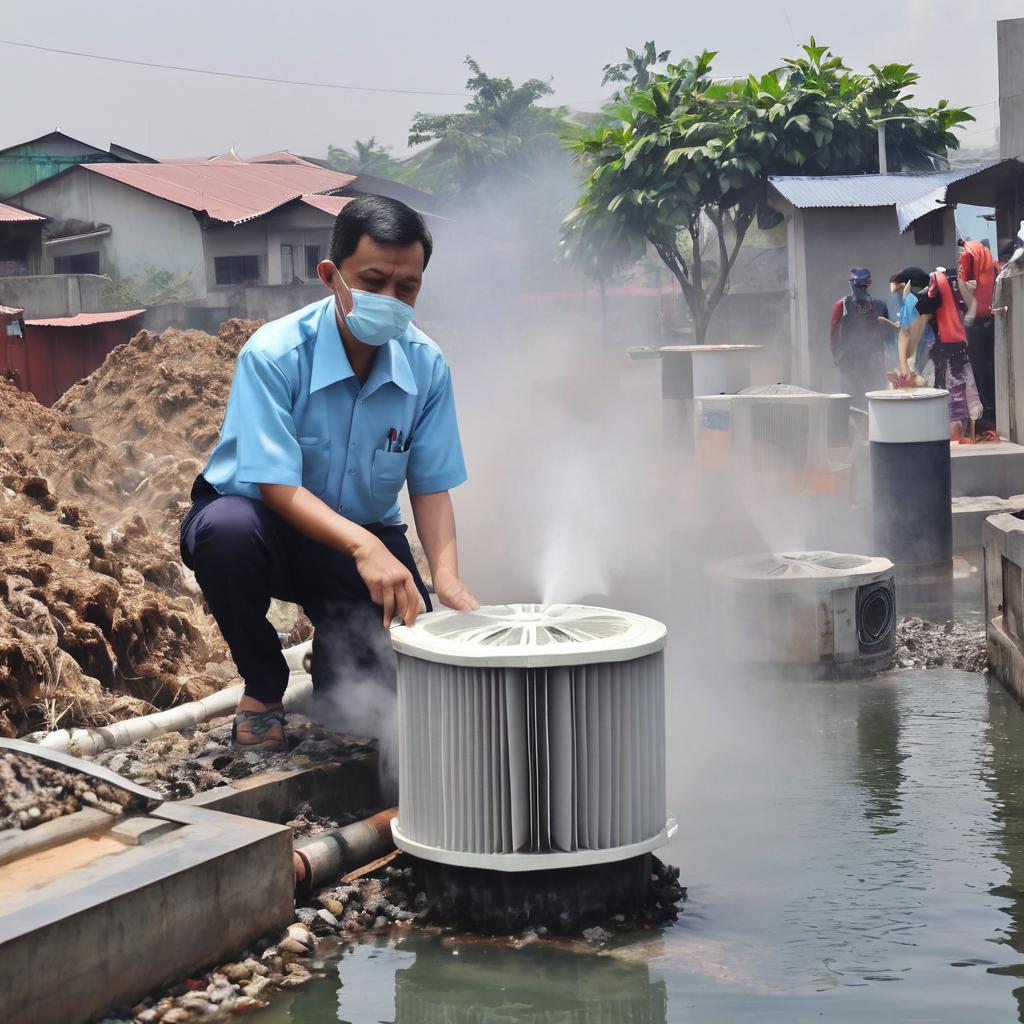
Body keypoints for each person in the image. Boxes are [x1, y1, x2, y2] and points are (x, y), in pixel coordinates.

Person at [180, 195, 479, 751]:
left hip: (353, 540)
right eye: (373, 281)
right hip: (263, 524)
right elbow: (276, 486)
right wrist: (366, 548)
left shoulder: (427, 365)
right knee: (226, 534)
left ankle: (338, 664)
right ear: (331, 275)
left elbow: (430, 485)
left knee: (387, 699)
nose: (390, 299)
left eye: (406, 288)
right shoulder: (273, 355)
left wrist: (447, 576)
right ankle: (265, 692)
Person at [907, 267, 985, 442]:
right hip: (958, 351)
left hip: (950, 352)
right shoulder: (957, 296)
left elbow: (923, 309)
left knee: (956, 401)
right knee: (964, 391)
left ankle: (958, 431)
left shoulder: (939, 290)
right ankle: (965, 423)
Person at [829, 268, 888, 405]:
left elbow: (881, 336)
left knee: (872, 398)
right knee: (850, 399)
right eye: (856, 286)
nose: (859, 289)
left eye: (862, 286)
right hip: (848, 361)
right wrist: (836, 355)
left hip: (870, 362)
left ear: (868, 285)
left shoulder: (877, 306)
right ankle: (853, 425)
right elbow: (833, 333)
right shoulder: (842, 305)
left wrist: (881, 360)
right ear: (851, 285)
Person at [958, 238, 997, 431]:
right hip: (990, 318)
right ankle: (990, 413)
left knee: (976, 369)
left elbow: (964, 283)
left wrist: (971, 312)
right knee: (988, 367)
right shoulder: (987, 257)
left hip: (977, 322)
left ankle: (984, 418)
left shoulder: (968, 253)